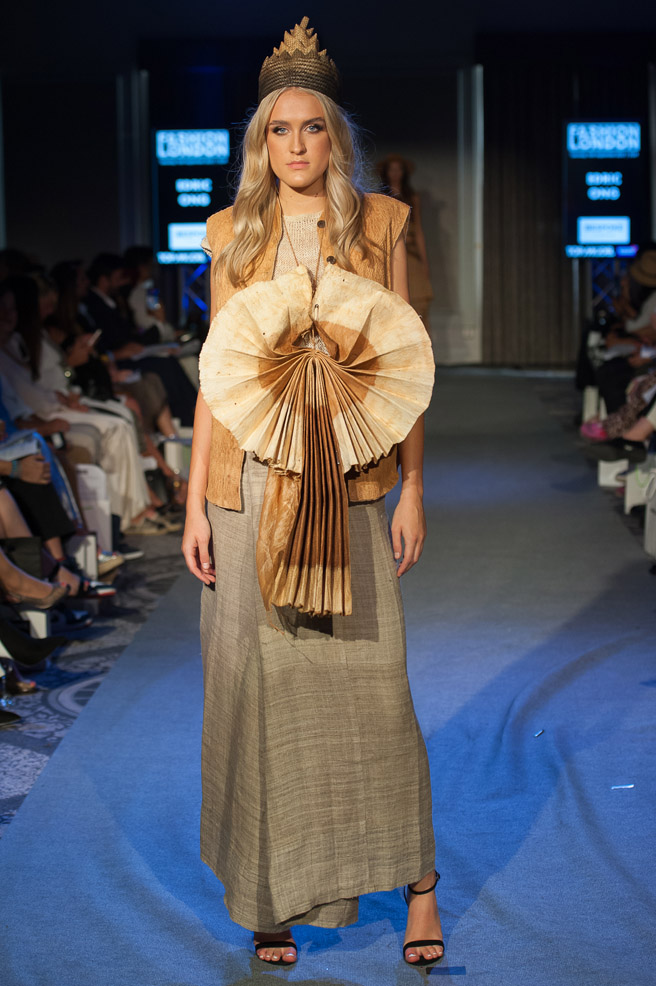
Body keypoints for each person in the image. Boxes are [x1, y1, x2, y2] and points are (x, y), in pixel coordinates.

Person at [182, 17, 443, 969]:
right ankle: (270, 897)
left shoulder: (383, 224)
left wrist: (414, 487)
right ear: (262, 143)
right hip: (248, 488)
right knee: (257, 691)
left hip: (352, 481)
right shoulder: (232, 231)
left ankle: (420, 885)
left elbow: (404, 363)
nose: (297, 146)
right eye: (279, 131)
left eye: (313, 128)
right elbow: (217, 374)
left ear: (337, 136)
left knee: (376, 687)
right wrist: (193, 502)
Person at [377, 153, 433, 336]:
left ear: (403, 173)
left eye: (398, 169)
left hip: (411, 254)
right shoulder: (379, 198)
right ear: (386, 172)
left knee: (418, 301)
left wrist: (424, 263)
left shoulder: (411, 197)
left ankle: (420, 346)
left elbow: (419, 229)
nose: (395, 173)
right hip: (387, 253)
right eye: (391, 169)